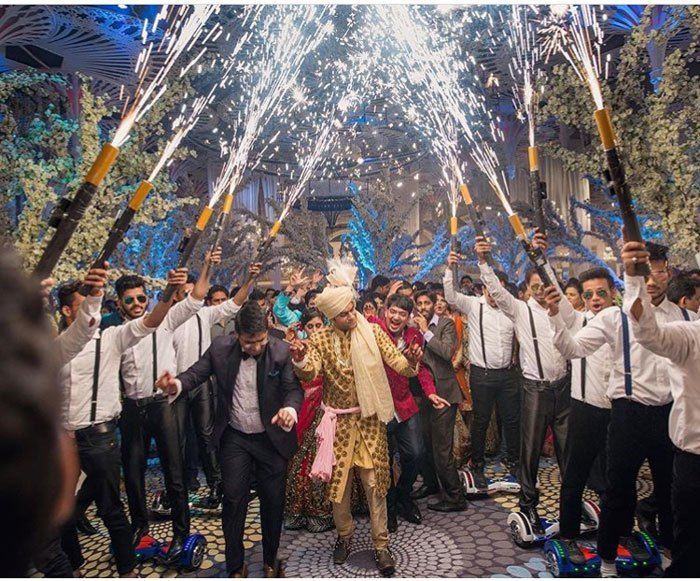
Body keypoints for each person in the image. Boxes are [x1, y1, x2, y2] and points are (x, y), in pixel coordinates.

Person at [544, 242, 694, 576]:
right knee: (617, 490)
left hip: (669, 414)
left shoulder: (686, 317)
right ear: (629, 275)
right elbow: (573, 348)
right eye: (643, 271)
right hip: (627, 413)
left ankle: (672, 556)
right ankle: (608, 562)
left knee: (670, 490)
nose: (651, 279)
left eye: (656, 270)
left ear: (667, 272)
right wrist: (555, 316)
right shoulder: (614, 317)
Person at [288, 259, 423, 576]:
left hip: (370, 421)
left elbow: (398, 364)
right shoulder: (321, 339)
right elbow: (311, 371)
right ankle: (345, 537)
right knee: (340, 489)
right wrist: (300, 359)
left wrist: (411, 361)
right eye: (344, 314)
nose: (351, 316)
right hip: (337, 426)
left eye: (352, 309)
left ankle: (381, 545)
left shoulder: (373, 330)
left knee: (376, 485)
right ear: (330, 316)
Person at [57, 265, 188, 577]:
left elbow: (152, 320)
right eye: (84, 306)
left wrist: (169, 291)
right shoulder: (55, 346)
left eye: (96, 306)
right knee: (63, 510)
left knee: (113, 507)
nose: (92, 315)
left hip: (104, 434)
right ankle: (72, 565)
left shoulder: (112, 337)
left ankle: (130, 568)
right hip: (65, 438)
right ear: (65, 311)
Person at [157, 301, 302, 578]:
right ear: (236, 335)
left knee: (273, 503)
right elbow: (196, 373)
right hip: (235, 438)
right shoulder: (221, 349)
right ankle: (236, 566)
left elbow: (293, 389)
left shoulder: (282, 352)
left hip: (271, 439)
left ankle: (271, 561)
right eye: (249, 343)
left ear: (267, 332)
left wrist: (290, 409)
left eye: (260, 341)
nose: (256, 348)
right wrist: (175, 384)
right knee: (234, 502)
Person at [118, 249, 221, 558]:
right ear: (119, 304)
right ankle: (140, 529)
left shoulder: (165, 322)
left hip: (162, 405)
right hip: (131, 410)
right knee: (133, 475)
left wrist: (206, 266)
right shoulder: (115, 334)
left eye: (141, 298)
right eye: (130, 300)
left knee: (174, 474)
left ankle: (181, 533)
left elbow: (197, 297)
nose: (137, 304)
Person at [476, 234, 570, 533]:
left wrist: (541, 254)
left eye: (545, 286)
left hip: (563, 388)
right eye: (535, 287)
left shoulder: (562, 310)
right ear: (527, 289)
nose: (541, 291)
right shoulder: (519, 309)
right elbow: (495, 290)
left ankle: (571, 505)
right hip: (534, 389)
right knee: (528, 453)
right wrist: (483, 260)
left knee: (567, 452)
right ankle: (528, 505)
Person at [621, 240, 700, 577]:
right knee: (689, 544)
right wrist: (634, 277)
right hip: (693, 457)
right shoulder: (690, 333)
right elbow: (647, 332)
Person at [542, 267, 617, 563]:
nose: (595, 299)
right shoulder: (578, 320)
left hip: (617, 412)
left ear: (613, 293)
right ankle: (569, 536)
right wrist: (541, 256)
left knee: (616, 482)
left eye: (601, 293)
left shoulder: (626, 323)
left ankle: (618, 534)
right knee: (573, 478)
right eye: (588, 295)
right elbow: (558, 298)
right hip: (584, 410)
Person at [171, 263, 261, 509]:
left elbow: (235, 303)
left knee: (207, 435)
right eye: (186, 294)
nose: (192, 298)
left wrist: (250, 279)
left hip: (200, 383)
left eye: (195, 293)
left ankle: (216, 485)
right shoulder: (168, 320)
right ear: (176, 296)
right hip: (176, 386)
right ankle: (177, 490)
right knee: (177, 440)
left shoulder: (205, 314)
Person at [444, 252, 519, 489]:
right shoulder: (474, 305)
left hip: (508, 375)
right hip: (482, 374)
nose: (492, 294)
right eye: (488, 289)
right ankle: (477, 463)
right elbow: (450, 296)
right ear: (483, 289)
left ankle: (514, 460)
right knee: (481, 421)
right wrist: (449, 270)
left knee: (511, 420)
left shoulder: (512, 310)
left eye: (497, 290)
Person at [377, 293, 449, 531]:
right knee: (383, 462)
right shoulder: (374, 331)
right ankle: (389, 507)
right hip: (378, 408)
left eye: (402, 314)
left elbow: (422, 370)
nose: (396, 317)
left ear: (408, 318)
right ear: (385, 311)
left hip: (405, 405)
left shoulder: (414, 336)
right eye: (393, 311)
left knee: (416, 454)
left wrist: (430, 393)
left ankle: (402, 495)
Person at [413, 289, 467, 512]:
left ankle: (455, 497)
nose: (423, 306)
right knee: (425, 446)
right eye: (420, 303)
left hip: (444, 392)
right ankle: (432, 484)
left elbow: (446, 353)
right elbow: (420, 360)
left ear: (434, 304)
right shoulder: (412, 327)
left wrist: (426, 332)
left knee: (442, 449)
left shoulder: (445, 324)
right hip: (421, 392)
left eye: (427, 302)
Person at [284, 309, 335, 533]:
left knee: (320, 460)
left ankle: (320, 512)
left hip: (326, 410)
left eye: (318, 325)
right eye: (310, 326)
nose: (314, 330)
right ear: (304, 328)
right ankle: (296, 510)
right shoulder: (296, 349)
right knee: (298, 460)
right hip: (302, 408)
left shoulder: (331, 346)